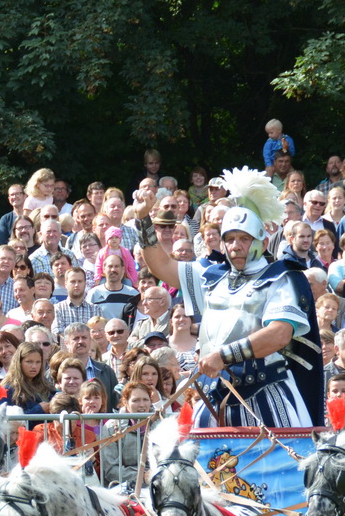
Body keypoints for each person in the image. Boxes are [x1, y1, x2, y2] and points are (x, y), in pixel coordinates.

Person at [138, 169, 321, 427]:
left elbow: (279, 334)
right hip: (215, 391)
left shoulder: (282, 277)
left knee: (282, 463)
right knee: (196, 462)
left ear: (264, 242)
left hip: (266, 390)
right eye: (231, 238)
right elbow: (162, 266)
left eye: (245, 239)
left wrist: (223, 356)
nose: (236, 245)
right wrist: (144, 218)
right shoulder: (211, 276)